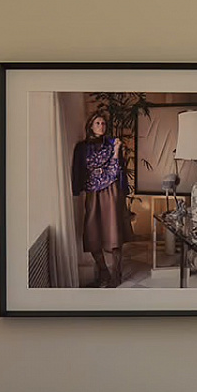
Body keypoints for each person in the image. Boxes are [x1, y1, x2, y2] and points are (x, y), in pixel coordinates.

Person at [72, 111, 129, 287]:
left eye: (103, 123)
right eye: (97, 123)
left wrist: (117, 151)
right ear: (90, 126)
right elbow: (77, 169)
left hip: (111, 190)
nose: (101, 126)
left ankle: (116, 274)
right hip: (92, 192)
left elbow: (118, 168)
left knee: (114, 231)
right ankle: (103, 272)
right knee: (92, 232)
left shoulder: (113, 144)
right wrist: (76, 189)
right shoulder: (82, 147)